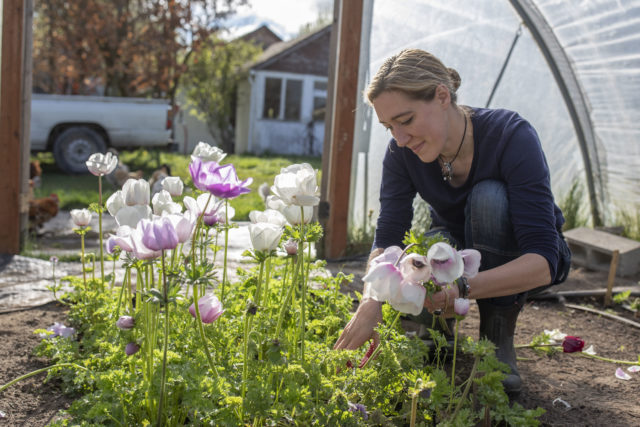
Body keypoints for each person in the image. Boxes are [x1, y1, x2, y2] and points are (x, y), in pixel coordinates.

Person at [333, 48, 571, 396]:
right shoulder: (401, 152)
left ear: (442, 96)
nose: (399, 138)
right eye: (389, 127)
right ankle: (438, 332)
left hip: (518, 256)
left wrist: (462, 290)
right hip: (454, 253)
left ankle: (496, 336)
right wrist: (371, 300)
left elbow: (543, 263)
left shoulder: (510, 135)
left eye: (407, 120)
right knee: (424, 250)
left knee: (488, 197)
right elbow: (387, 237)